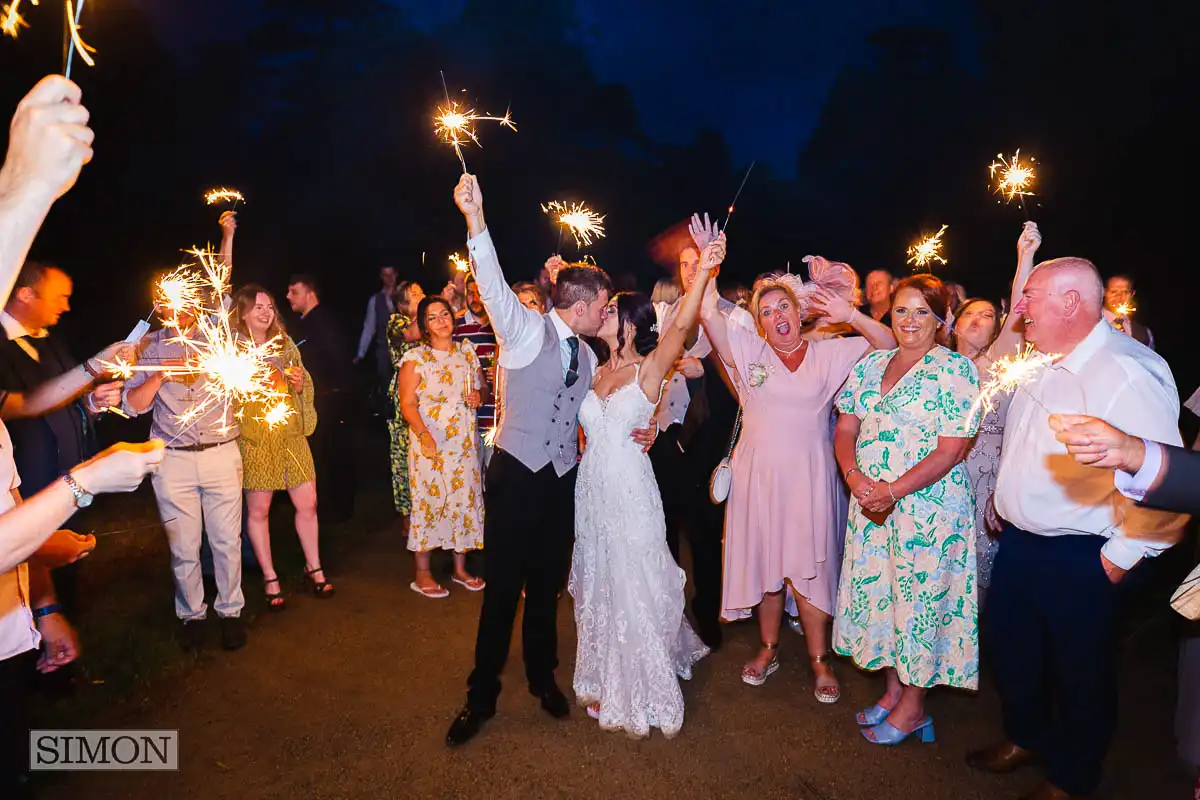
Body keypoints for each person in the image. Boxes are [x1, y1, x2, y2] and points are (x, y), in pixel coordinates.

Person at [443, 173, 655, 747]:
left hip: (561, 483)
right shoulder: (523, 332)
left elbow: (607, 410)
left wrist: (650, 424)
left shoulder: (589, 356)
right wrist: (476, 220)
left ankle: (544, 680)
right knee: (501, 592)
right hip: (515, 476)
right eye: (604, 306)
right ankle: (480, 697)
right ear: (582, 306)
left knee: (546, 589)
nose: (606, 312)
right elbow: (489, 282)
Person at [968, 257, 1186, 800]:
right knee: (1011, 650)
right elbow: (1025, 443)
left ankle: (1073, 777)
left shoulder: (1128, 370)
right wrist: (1004, 500)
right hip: (1019, 544)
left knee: (1080, 673)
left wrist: (1121, 558)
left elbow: (1169, 480)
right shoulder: (1040, 361)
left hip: (1082, 554)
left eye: (1030, 295)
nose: (1018, 308)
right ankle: (1028, 737)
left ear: (1070, 303)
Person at [702, 244, 897, 704]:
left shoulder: (828, 354)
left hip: (810, 480)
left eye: (783, 306)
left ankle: (818, 659)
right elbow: (708, 315)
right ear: (759, 323)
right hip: (758, 482)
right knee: (767, 566)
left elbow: (888, 345)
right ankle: (768, 647)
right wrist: (710, 269)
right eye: (765, 312)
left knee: (810, 572)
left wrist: (850, 312)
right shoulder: (750, 353)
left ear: (799, 310)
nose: (776, 316)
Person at [570, 232, 723, 738]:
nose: (602, 314)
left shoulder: (651, 368)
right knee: (602, 575)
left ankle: (639, 678)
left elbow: (681, 323)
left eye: (611, 309)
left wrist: (705, 270)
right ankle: (601, 667)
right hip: (593, 490)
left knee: (636, 576)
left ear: (632, 323)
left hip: (633, 490)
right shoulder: (594, 366)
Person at [833, 274, 980, 745]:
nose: (910, 321)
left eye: (922, 311)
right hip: (870, 502)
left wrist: (892, 490)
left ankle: (916, 706)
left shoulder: (956, 370)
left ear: (941, 318)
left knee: (921, 601)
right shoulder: (870, 363)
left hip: (927, 510)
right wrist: (856, 478)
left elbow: (952, 449)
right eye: (901, 310)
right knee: (882, 595)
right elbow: (845, 428)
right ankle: (893, 689)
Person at [0, 261, 126, 617]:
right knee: (23, 597)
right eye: (60, 297)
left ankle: (61, 658)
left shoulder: (53, 342)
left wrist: (91, 403)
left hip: (68, 491)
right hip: (20, 500)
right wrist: (93, 366)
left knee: (66, 590)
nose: (66, 306)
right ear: (25, 294)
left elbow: (67, 401)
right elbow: (24, 406)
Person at [122, 299, 248, 652]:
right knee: (184, 545)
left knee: (226, 540)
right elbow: (132, 405)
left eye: (185, 304)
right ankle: (192, 615)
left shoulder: (219, 337)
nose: (177, 311)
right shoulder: (147, 346)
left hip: (221, 451)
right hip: (173, 459)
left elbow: (243, 381)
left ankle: (230, 612)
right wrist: (162, 373)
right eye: (168, 305)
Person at [232, 285, 331, 610]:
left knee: (309, 504)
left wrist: (300, 384)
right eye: (259, 307)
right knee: (259, 511)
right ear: (243, 312)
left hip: (290, 436)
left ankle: (313, 567)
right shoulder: (233, 349)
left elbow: (302, 380)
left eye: (270, 307)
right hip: (257, 440)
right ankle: (270, 577)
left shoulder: (285, 344)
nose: (266, 312)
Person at [396, 295, 486, 597]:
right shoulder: (415, 359)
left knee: (463, 499)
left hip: (463, 443)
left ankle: (460, 569)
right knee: (429, 502)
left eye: (444, 313)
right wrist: (423, 434)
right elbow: (407, 404)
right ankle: (422, 573)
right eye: (432, 317)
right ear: (424, 325)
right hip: (430, 443)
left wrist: (479, 397)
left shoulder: (467, 352)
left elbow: (482, 388)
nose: (441, 320)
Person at [286, 274, 355, 521]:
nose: (288, 296)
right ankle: (330, 508)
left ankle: (333, 510)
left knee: (330, 456)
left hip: (328, 401)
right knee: (327, 456)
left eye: (294, 291)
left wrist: (329, 391)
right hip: (324, 399)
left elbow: (336, 360)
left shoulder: (322, 323)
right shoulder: (307, 323)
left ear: (309, 293)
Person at [386, 281, 425, 519]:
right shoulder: (397, 322)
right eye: (416, 295)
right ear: (403, 304)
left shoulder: (427, 319)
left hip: (429, 397)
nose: (422, 296)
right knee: (405, 463)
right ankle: (409, 527)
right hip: (404, 399)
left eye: (422, 292)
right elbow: (414, 333)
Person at [454, 275, 498, 464]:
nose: (475, 298)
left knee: (495, 483)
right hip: (467, 419)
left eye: (479, 293)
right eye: (470, 293)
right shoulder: (456, 326)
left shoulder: (500, 326)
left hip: (496, 419)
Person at [354, 265, 398, 395]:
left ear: (396, 274)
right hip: (384, 352)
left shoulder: (404, 295)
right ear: (381, 277)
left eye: (391, 274)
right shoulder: (375, 300)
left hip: (404, 349)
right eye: (385, 275)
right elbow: (369, 327)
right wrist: (360, 354)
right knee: (386, 387)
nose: (389, 278)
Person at [1102, 274, 1154, 350]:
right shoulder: (1088, 324)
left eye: (1125, 292)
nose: (1119, 297)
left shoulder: (1144, 334)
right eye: (1114, 292)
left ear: (1132, 294)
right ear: (1104, 292)